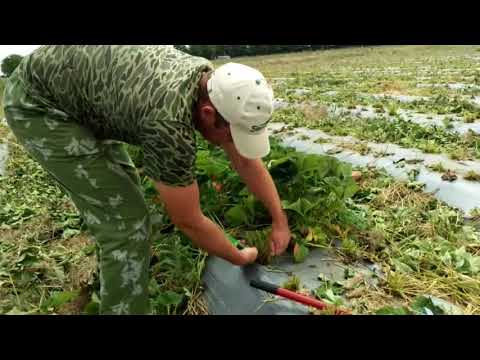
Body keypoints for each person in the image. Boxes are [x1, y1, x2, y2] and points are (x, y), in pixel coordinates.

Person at [2, 45, 291, 315]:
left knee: (124, 195)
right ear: (207, 113)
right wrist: (237, 257)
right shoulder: (169, 123)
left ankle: (111, 280)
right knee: (126, 224)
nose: (232, 143)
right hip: (39, 103)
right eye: (232, 135)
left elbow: (244, 159)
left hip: (79, 92)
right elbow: (188, 220)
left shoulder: (209, 81)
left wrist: (280, 221)